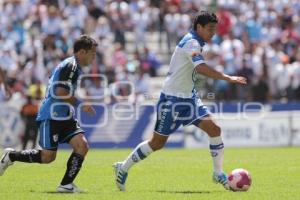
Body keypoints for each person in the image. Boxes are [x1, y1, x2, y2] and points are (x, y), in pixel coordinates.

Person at [113, 11, 247, 191]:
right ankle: (123, 167)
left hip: (189, 98)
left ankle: (218, 172)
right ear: (199, 27)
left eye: (214, 29)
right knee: (157, 143)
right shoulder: (191, 42)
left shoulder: (197, 41)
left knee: (214, 128)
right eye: (210, 29)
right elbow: (200, 68)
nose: (213, 33)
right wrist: (227, 78)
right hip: (172, 99)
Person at [0, 35, 98, 193]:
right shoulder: (71, 66)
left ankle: (66, 185)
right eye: (93, 53)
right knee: (48, 157)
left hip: (65, 115)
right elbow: (60, 92)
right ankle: (11, 156)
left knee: (82, 145)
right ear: (82, 52)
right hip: (51, 115)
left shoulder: (73, 66)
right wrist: (81, 104)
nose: (94, 57)